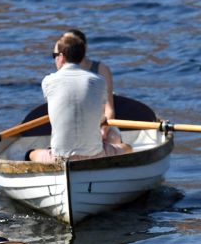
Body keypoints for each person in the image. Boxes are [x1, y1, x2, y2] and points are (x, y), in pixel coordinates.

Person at [28, 32, 131, 163]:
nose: (54, 59)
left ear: (61, 57)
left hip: (59, 157)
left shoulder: (48, 81)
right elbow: (101, 115)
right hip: (96, 154)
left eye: (54, 56)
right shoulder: (99, 81)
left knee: (31, 153)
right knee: (128, 148)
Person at [65, 28, 123, 146]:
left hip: (101, 125)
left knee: (114, 139)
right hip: (74, 127)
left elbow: (109, 109)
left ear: (84, 47)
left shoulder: (101, 70)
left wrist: (103, 131)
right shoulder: (62, 72)